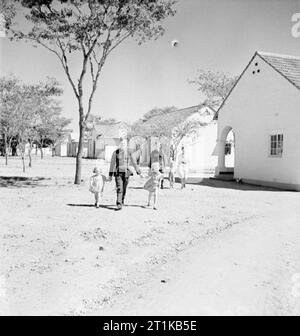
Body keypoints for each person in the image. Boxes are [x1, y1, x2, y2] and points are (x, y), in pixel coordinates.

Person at [108, 137, 142, 210]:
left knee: (124, 188)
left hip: (126, 173)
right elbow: (112, 164)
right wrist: (110, 175)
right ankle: (119, 204)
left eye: (124, 143)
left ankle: (122, 200)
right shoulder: (116, 152)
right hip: (118, 173)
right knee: (119, 188)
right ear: (119, 143)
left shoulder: (129, 152)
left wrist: (138, 172)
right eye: (122, 143)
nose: (123, 144)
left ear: (126, 144)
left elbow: (134, 162)